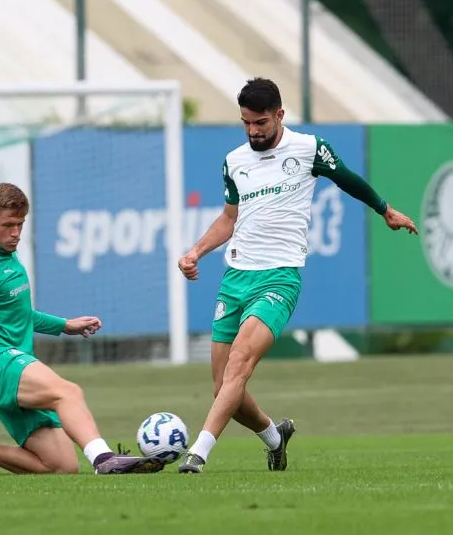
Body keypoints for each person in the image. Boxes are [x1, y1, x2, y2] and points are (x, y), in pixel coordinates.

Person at [175, 78, 419, 474]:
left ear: (280, 115)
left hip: (279, 278)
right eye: (246, 124)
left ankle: (197, 454)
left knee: (239, 364)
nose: (253, 131)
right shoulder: (234, 160)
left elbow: (348, 179)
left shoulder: (309, 149)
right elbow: (229, 219)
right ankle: (274, 436)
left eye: (261, 123)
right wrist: (196, 251)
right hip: (235, 277)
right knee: (224, 389)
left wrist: (385, 210)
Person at [0, 183, 166, 476]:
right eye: (8, 225)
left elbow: (19, 314)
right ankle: (105, 460)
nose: (15, 233)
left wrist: (65, 326)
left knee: (61, 466)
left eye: (20, 224)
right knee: (67, 392)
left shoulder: (6, 252)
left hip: (12, 357)